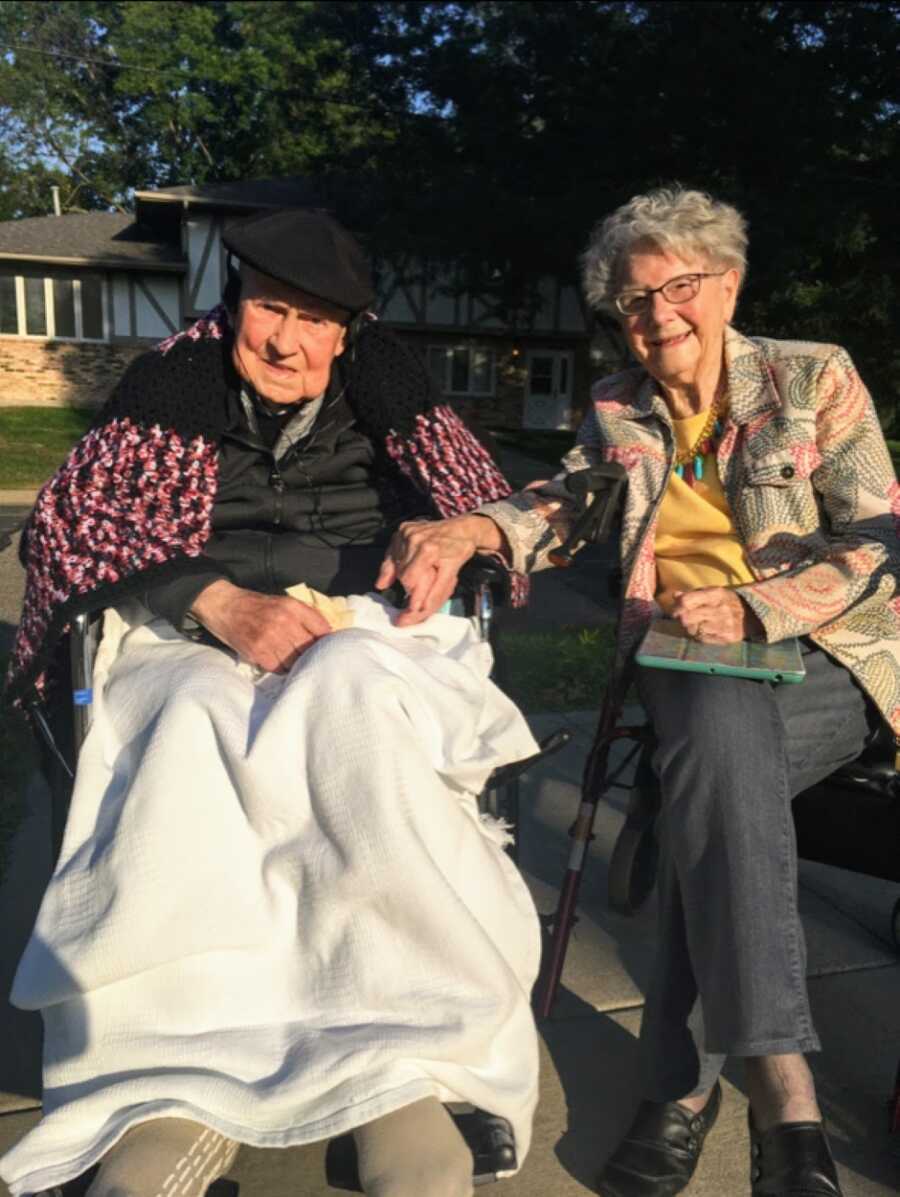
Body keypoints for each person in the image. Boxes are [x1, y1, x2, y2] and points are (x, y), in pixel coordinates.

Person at [1, 208, 541, 1197]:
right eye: (268, 308)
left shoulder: (395, 397)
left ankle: (404, 1053)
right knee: (185, 721)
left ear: (348, 331)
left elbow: (496, 508)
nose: (286, 339)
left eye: (312, 319)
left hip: (365, 621)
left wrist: (459, 535)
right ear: (236, 301)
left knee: (347, 702)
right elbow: (78, 527)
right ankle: (163, 1068)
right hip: (193, 617)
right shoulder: (171, 383)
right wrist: (212, 600)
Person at [379, 186, 900, 1197]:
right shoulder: (617, 402)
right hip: (682, 661)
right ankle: (789, 1102)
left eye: (679, 287)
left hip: (828, 655)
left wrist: (761, 608)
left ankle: (684, 1088)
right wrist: (476, 529)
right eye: (631, 301)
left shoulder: (811, 378)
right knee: (710, 728)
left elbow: (882, 536)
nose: (657, 314)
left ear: (728, 283)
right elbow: (568, 502)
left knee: (701, 782)